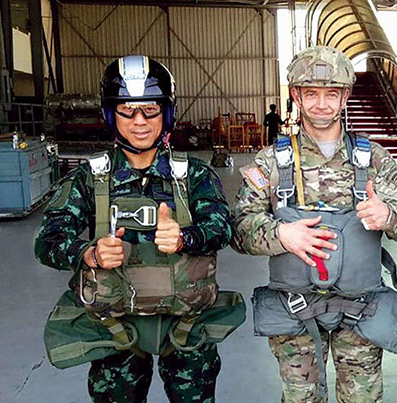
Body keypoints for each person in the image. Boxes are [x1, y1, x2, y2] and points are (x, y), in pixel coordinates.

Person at [35, 55, 243, 402]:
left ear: (167, 113)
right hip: (115, 330)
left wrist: (186, 238)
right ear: (110, 115)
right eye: (127, 110)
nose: (140, 122)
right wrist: (89, 253)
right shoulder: (89, 179)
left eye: (150, 110)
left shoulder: (194, 175)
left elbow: (222, 226)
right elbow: (48, 241)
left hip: (186, 327)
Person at [230, 45, 397, 403]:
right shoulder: (272, 161)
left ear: (345, 96)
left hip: (360, 313)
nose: (322, 103)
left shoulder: (374, 159)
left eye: (331, 93)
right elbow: (239, 229)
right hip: (295, 310)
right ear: (296, 96)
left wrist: (388, 215)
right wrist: (280, 234)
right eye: (311, 93)